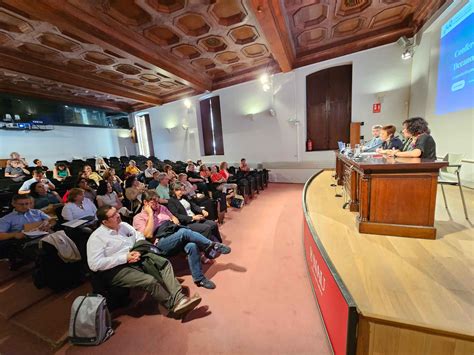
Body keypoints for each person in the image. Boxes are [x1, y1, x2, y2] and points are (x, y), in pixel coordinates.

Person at [87, 205, 202, 317]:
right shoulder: (97, 238)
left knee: (164, 263)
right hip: (115, 269)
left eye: (116, 212)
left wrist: (137, 250)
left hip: (136, 256)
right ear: (104, 222)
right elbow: (94, 264)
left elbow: (139, 236)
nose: (118, 215)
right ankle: (173, 305)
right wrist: (125, 258)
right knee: (149, 281)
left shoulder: (123, 225)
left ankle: (179, 298)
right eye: (113, 215)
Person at [133, 191, 231, 289]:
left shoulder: (162, 208)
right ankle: (212, 245)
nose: (157, 204)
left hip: (173, 232)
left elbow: (175, 219)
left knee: (192, 245)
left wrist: (172, 222)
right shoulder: (138, 218)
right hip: (161, 242)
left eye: (157, 201)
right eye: (153, 202)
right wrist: (150, 214)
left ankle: (199, 279)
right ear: (145, 203)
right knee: (184, 232)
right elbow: (148, 235)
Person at [0, 194, 51, 269]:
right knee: (47, 254)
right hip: (26, 241)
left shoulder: (36, 212)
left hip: (44, 236)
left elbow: (50, 219)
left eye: (27, 204)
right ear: (13, 204)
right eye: (21, 204)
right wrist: (14, 234)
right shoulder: (6, 219)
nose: (24, 206)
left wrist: (46, 222)